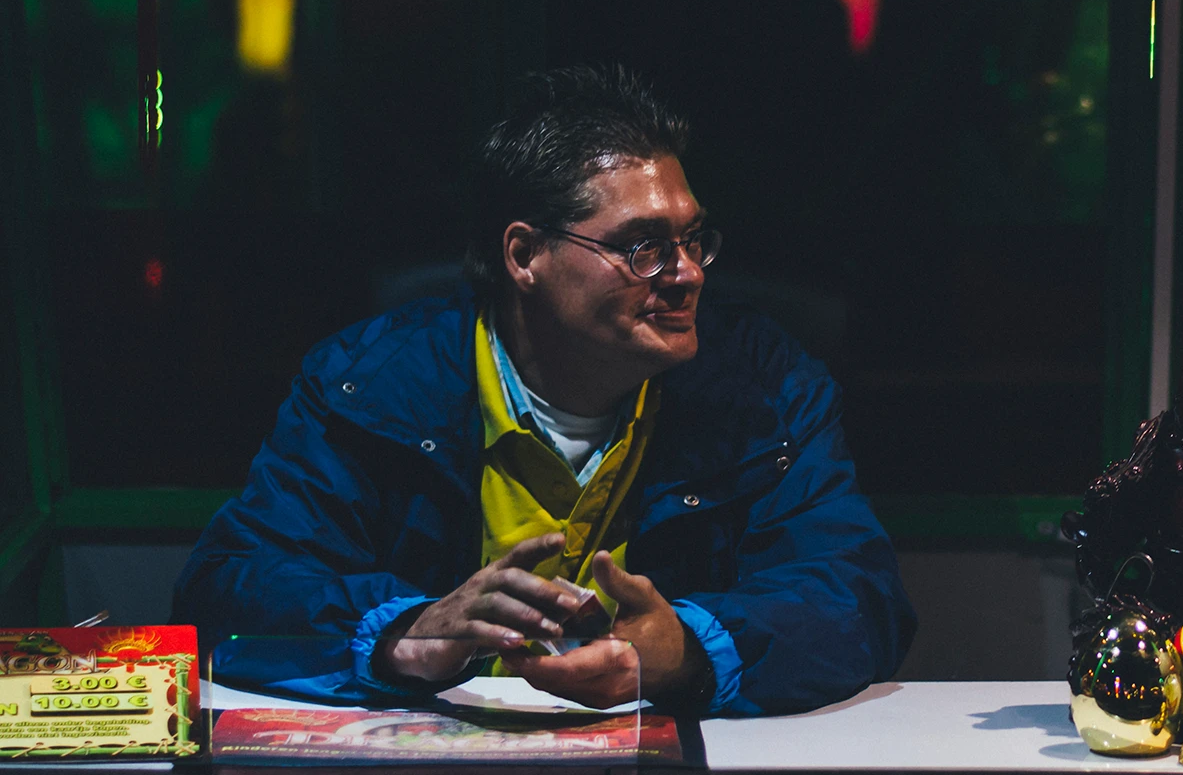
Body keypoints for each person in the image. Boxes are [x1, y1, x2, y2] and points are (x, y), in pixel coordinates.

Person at [174, 66, 916, 715]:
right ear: (525, 255)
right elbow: (229, 593)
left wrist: (685, 651)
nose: (687, 273)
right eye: (643, 247)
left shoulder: (767, 389)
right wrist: (408, 634)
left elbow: (859, 598)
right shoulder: (370, 386)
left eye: (694, 241)